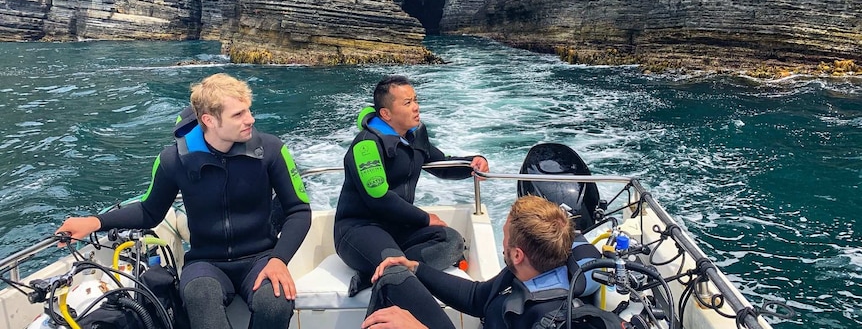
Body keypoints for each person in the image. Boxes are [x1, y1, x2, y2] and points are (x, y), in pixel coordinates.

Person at [56, 73, 312, 329]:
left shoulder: (271, 150)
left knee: (275, 301)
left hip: (261, 258)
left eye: (248, 110)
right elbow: (149, 211)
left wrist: (278, 260)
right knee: (199, 296)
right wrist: (93, 222)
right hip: (205, 263)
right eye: (238, 114)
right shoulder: (173, 161)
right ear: (209, 120)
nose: (250, 119)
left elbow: (298, 210)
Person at [334, 75, 490, 298]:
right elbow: (379, 198)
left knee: (451, 241)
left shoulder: (413, 137)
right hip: (359, 229)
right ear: (386, 114)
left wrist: (472, 164)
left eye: (415, 100)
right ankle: (385, 273)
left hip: (398, 227)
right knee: (395, 268)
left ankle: (373, 273)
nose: (416, 107)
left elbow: (441, 163)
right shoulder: (366, 146)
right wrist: (425, 218)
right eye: (407, 103)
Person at [362, 195, 602, 329]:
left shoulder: (545, 319)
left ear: (518, 254)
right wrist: (415, 267)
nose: (502, 239)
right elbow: (477, 297)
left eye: (505, 235)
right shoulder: (528, 272)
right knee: (394, 276)